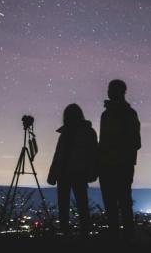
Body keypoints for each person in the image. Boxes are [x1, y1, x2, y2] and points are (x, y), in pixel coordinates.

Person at [98, 79, 141, 241]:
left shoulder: (126, 114)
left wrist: (112, 152)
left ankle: (122, 241)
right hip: (114, 166)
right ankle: (119, 240)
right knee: (117, 204)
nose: (109, 92)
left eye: (112, 89)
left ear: (121, 92)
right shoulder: (108, 114)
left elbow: (135, 142)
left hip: (119, 166)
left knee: (121, 203)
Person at [47, 103, 98, 236]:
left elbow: (93, 154)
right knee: (75, 205)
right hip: (69, 173)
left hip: (76, 173)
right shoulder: (82, 132)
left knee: (77, 205)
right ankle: (74, 233)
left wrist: (52, 174)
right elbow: (58, 154)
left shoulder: (79, 133)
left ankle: (79, 233)